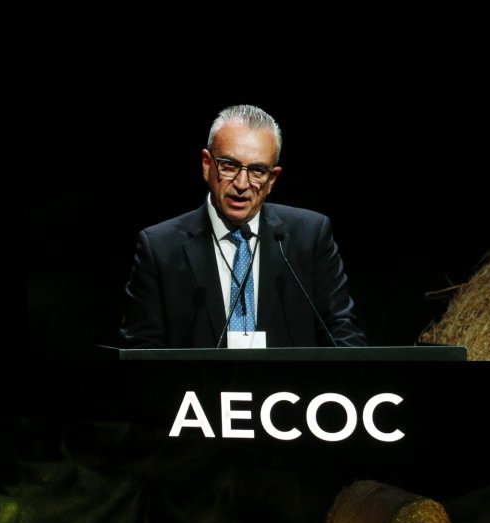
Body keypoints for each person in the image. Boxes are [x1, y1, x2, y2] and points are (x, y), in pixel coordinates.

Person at [119, 104, 366, 348]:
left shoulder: (310, 236)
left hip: (287, 389)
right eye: (229, 165)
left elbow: (342, 334)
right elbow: (142, 355)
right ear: (207, 164)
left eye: (257, 170)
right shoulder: (160, 248)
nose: (241, 183)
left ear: (272, 179)